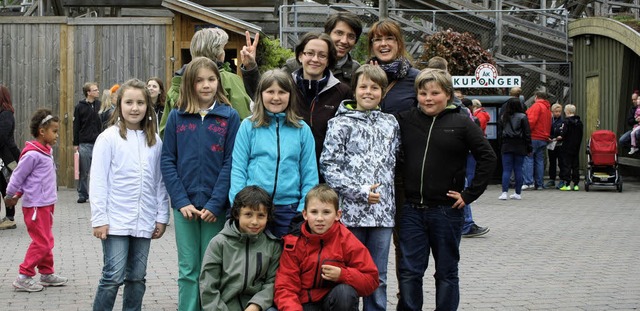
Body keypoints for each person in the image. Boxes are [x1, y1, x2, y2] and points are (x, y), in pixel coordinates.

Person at [395, 69, 496, 310]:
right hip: (411, 210)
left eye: (435, 93)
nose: (428, 98)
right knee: (409, 272)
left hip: (446, 211)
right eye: (422, 93)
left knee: (447, 272)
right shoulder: (406, 119)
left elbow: (487, 157)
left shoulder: (461, 122)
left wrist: (470, 194)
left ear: (448, 95)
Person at [161, 56, 240, 311]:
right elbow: (167, 161)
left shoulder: (230, 118)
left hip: (213, 209)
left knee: (211, 268)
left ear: (218, 81)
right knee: (188, 269)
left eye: (211, 79)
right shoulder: (177, 117)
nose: (206, 85)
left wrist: (216, 203)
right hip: (185, 208)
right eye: (199, 80)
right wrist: (181, 201)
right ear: (189, 84)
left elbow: (230, 163)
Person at [320, 64, 399, 311]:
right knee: (350, 274)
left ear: (383, 93)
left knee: (378, 275)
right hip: (350, 216)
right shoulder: (339, 123)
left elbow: (394, 162)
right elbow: (329, 167)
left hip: (382, 216)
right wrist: (360, 191)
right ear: (354, 90)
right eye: (363, 86)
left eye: (374, 88)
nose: (368, 92)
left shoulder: (391, 123)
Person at [90, 79, 170, 310]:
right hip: (115, 221)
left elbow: (159, 182)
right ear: (119, 105)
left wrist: (161, 217)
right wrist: (100, 219)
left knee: (137, 277)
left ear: (148, 106)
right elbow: (98, 181)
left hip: (144, 220)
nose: (134, 108)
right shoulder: (108, 138)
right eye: (129, 102)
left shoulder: (155, 142)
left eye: (140, 103)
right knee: (113, 276)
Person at [230, 69, 318, 238]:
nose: (276, 97)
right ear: (260, 95)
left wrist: (302, 209)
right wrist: (239, 205)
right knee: (255, 261)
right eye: (270, 92)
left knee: (287, 261)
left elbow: (309, 173)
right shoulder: (249, 126)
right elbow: (238, 169)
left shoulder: (302, 129)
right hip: (254, 207)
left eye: (282, 92)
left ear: (290, 95)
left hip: (289, 209)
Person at [274, 184, 379, 311]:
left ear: (338, 215)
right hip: (303, 305)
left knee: (344, 294)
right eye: (314, 212)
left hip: (333, 302)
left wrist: (343, 275)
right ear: (305, 214)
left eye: (326, 212)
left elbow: (371, 280)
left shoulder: (346, 239)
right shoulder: (294, 242)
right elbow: (285, 287)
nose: (319, 218)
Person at [5, 108, 68, 292]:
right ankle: (24, 276)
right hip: (35, 207)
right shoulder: (32, 154)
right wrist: (10, 194)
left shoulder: (46, 151)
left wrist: (20, 193)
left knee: (46, 239)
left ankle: (47, 273)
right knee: (42, 242)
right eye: (54, 131)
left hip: (46, 204)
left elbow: (31, 181)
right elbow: (18, 176)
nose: (57, 135)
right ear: (42, 132)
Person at [240, 12, 363, 97]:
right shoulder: (294, 66)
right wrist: (251, 67)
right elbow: (264, 95)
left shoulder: (355, 71)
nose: (344, 41)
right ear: (327, 33)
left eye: (351, 36)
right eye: (339, 33)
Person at [200, 185, 281, 311]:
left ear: (267, 217)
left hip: (258, 307)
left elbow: (273, 283)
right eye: (248, 214)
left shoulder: (273, 246)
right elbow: (208, 286)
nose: (254, 221)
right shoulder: (219, 243)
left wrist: (256, 305)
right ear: (237, 214)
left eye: (261, 215)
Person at [159, 28, 252, 138]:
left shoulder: (178, 83)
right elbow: (244, 124)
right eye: (223, 48)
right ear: (218, 53)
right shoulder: (230, 80)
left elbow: (165, 132)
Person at [367, 19, 420, 116]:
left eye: (389, 38)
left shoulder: (416, 78)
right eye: (378, 39)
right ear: (372, 46)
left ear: (399, 44)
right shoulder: (363, 76)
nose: (383, 44)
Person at [73, 81, 102, 203]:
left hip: (99, 143)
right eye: (95, 90)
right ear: (88, 92)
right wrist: (76, 144)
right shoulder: (79, 107)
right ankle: (83, 194)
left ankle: (98, 194)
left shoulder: (100, 105)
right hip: (84, 143)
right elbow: (76, 125)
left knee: (98, 171)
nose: (97, 91)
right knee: (84, 171)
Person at [499, 98, 532, 200]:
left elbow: (500, 132)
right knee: (518, 169)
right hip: (520, 144)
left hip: (507, 144)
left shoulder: (504, 116)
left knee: (506, 170)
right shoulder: (523, 117)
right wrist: (529, 147)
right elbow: (527, 133)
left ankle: (504, 192)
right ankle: (518, 193)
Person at [522, 91, 552, 190]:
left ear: (536, 97)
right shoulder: (547, 108)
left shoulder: (536, 106)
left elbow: (530, 121)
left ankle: (528, 182)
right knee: (539, 160)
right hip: (543, 138)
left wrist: (525, 133)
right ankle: (539, 184)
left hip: (533, 137)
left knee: (528, 159)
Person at [0, 85, 20, 230]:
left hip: (7, 158)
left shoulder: (6, 114)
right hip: (4, 157)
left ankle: (10, 217)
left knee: (6, 187)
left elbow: (2, 137)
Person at [558, 104, 584, 191]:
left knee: (566, 165)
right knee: (575, 165)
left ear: (567, 112)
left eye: (565, 111)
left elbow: (563, 134)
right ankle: (576, 184)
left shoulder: (566, 122)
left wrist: (559, 136)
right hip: (576, 147)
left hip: (566, 146)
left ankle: (567, 184)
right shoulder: (579, 122)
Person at [546, 103, 565, 189]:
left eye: (559, 111)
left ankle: (562, 179)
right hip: (551, 144)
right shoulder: (549, 120)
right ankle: (552, 179)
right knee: (552, 162)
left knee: (561, 162)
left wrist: (560, 137)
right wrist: (549, 137)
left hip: (560, 144)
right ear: (552, 112)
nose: (557, 113)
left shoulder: (563, 121)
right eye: (556, 111)